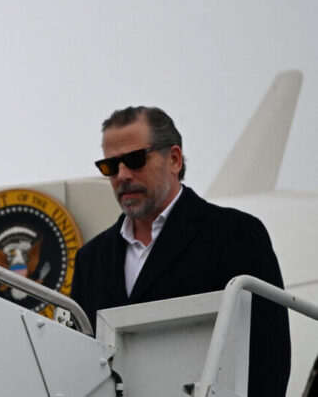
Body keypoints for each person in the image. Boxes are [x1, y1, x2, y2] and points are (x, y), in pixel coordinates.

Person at [70, 106, 290, 396]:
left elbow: (269, 355)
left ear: (173, 159)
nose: (122, 175)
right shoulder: (91, 259)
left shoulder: (235, 234)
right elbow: (79, 363)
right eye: (110, 166)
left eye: (135, 160)